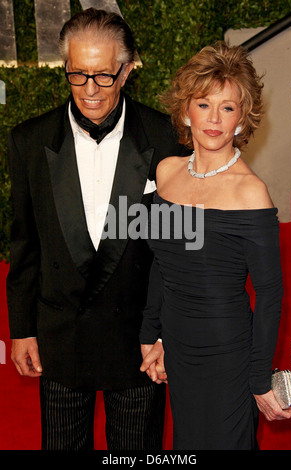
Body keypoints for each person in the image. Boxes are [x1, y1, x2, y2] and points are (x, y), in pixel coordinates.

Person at [6, 8, 187, 450]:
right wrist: (22, 328)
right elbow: (25, 242)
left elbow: (178, 248)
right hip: (61, 335)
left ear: (124, 72)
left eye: (103, 76)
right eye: (77, 74)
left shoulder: (166, 138)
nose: (89, 90)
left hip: (140, 340)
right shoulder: (30, 140)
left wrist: (163, 332)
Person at [139, 41, 291, 450]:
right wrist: (152, 335)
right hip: (178, 346)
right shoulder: (168, 172)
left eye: (228, 107)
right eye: (204, 103)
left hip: (228, 356)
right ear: (185, 109)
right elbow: (162, 263)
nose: (214, 119)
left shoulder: (251, 192)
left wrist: (260, 377)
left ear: (242, 119)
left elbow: (270, 295)